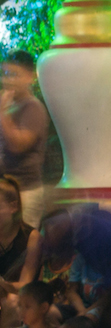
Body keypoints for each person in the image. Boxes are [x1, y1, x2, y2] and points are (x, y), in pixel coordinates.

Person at [0, 51, 48, 230]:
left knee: (22, 246)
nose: (8, 80)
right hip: (6, 190)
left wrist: (2, 113)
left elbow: (17, 145)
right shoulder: (9, 105)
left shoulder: (33, 107)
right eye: (5, 74)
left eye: (14, 75)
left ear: (30, 77)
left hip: (26, 192)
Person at [0, 176, 42, 328]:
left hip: (20, 295)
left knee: (11, 302)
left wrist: (5, 286)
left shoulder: (31, 237)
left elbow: (26, 283)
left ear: (13, 207)